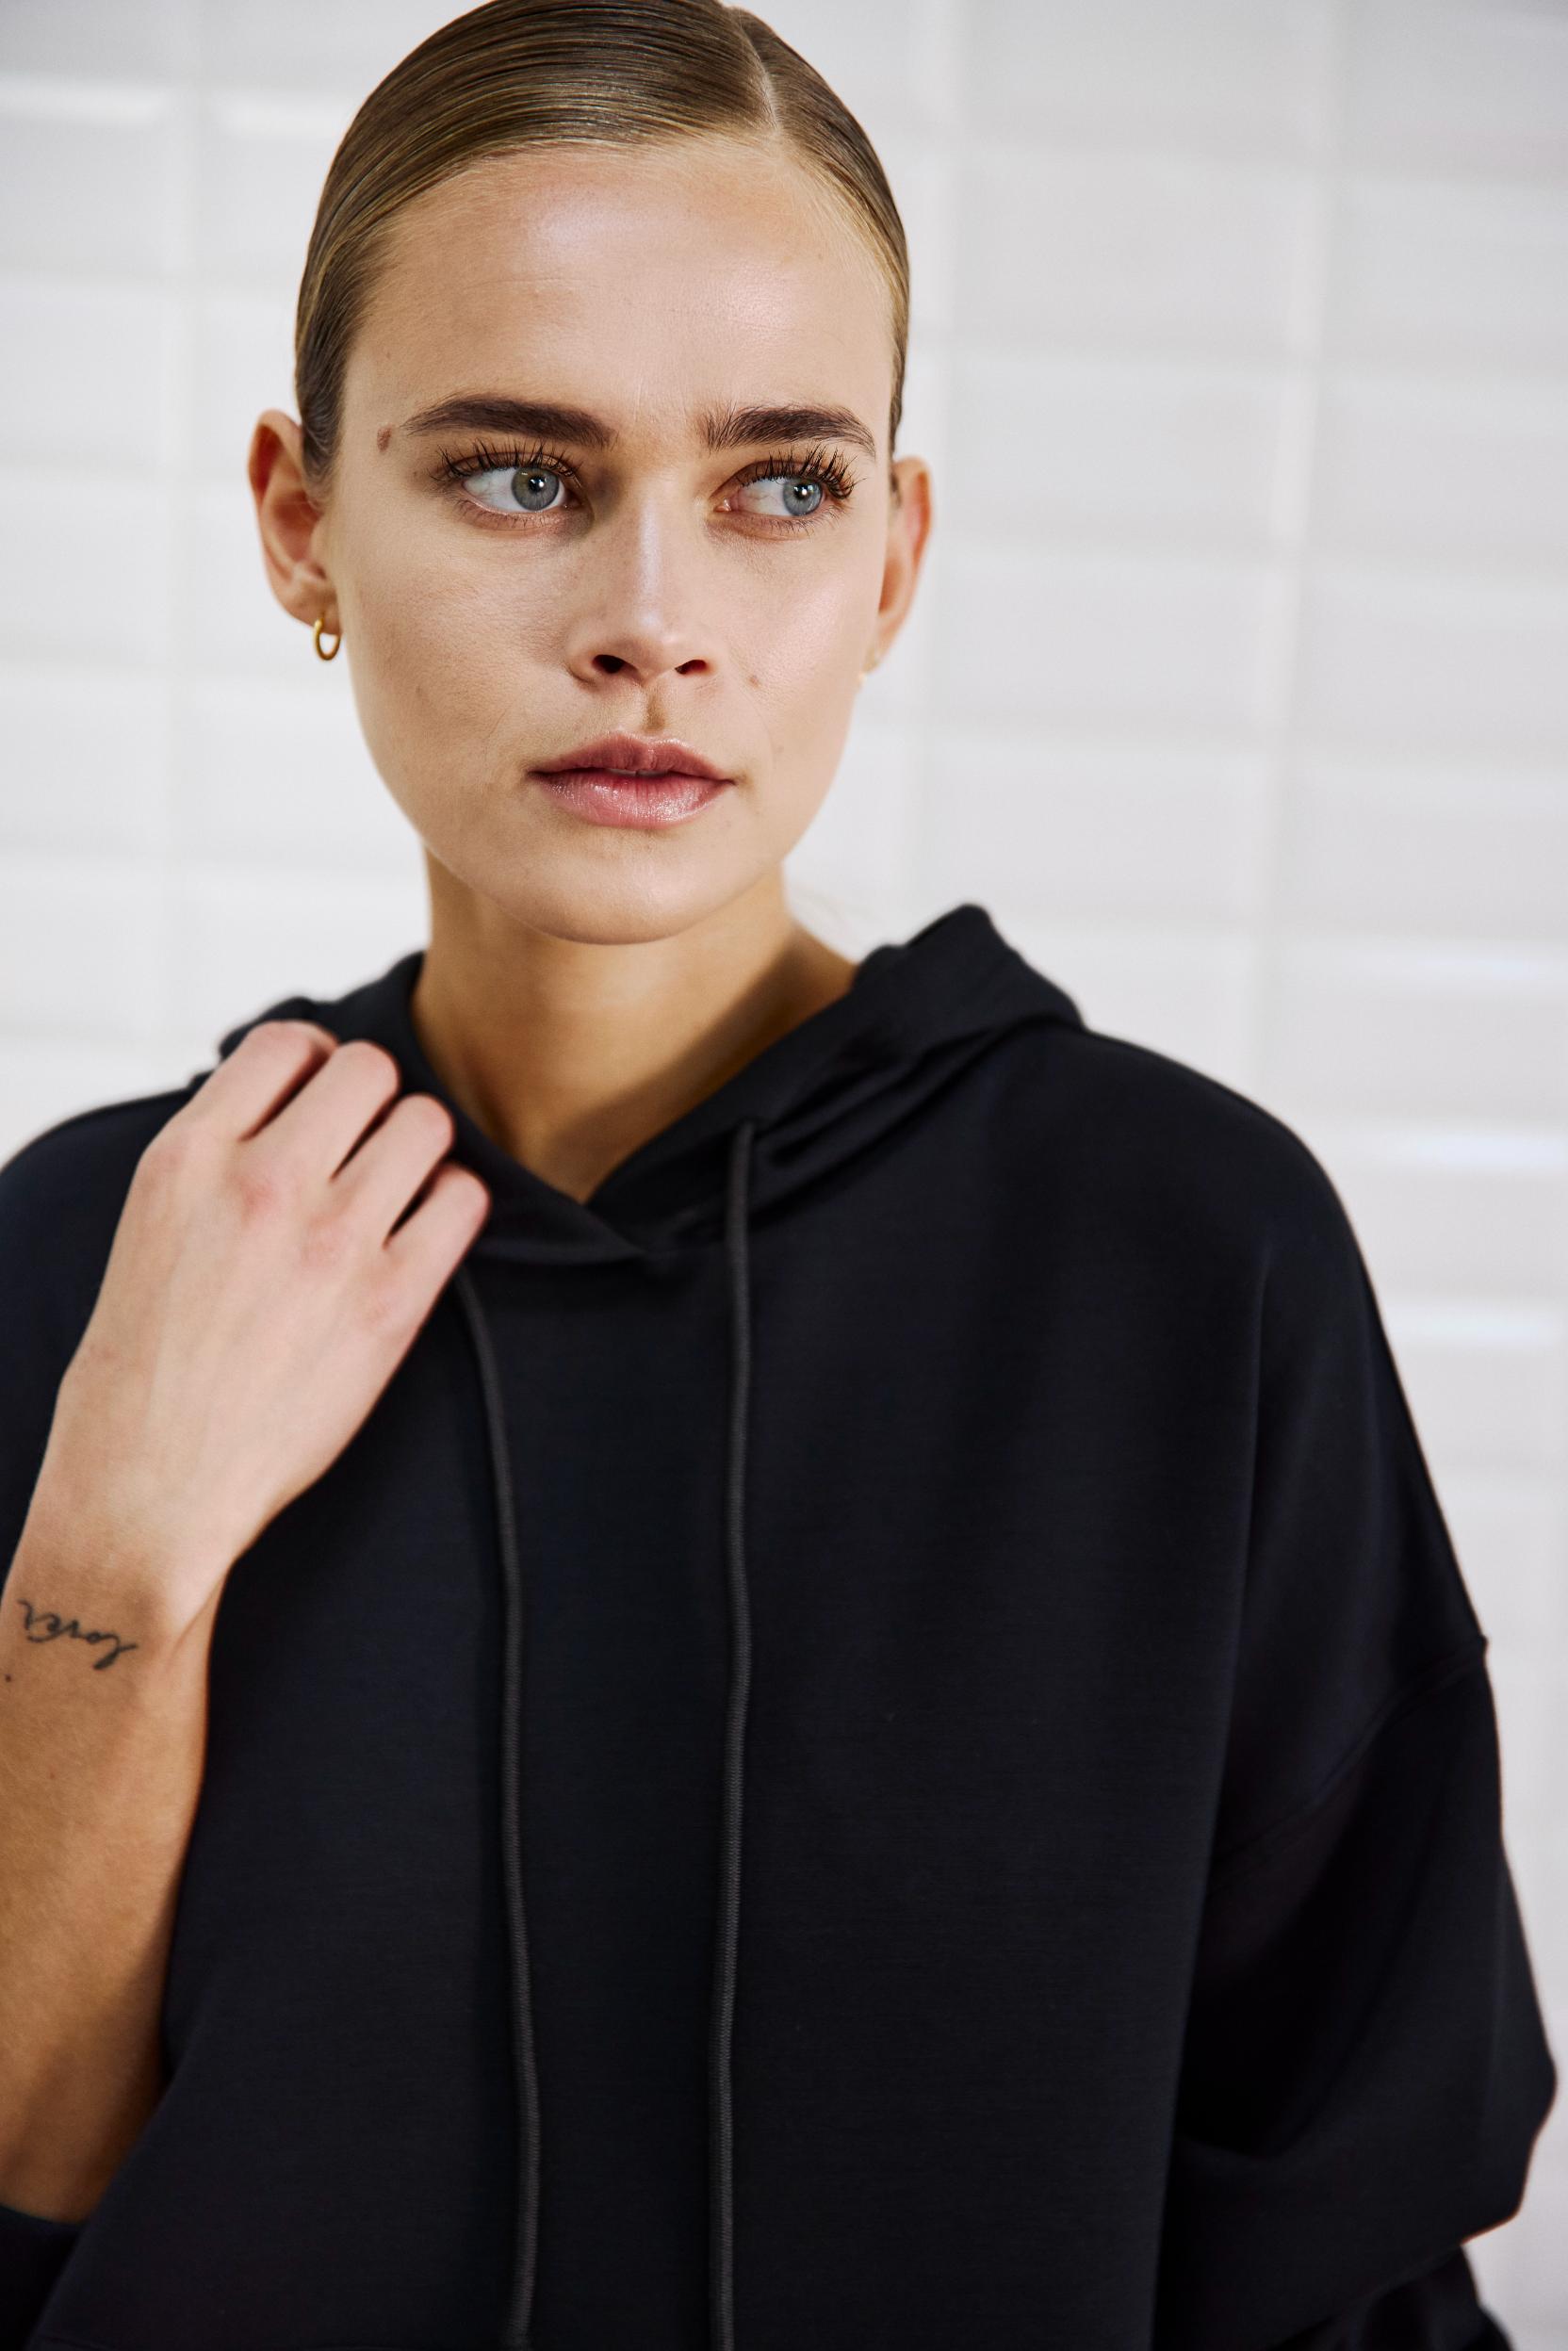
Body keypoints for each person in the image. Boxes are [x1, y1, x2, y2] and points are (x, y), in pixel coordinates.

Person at [0, 2, 1556, 2345]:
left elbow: (1339, 2255)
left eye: (778, 486)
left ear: (893, 556)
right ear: (301, 520)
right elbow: (22, 2195)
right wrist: (112, 1568)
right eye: (517, 474)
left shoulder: (1179, 1258)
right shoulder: (96, 1253)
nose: (653, 618)